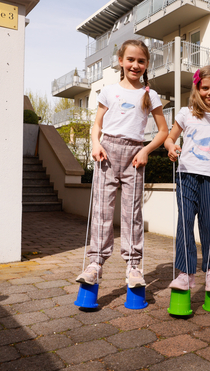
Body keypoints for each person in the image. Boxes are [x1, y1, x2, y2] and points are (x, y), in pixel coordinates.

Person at [76, 40, 168, 288]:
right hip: (107, 151)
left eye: (140, 61)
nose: (135, 65)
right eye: (130, 60)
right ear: (120, 61)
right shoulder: (108, 91)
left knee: (132, 214)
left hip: (134, 156)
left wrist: (146, 150)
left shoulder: (150, 95)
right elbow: (97, 124)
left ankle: (134, 267)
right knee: (102, 211)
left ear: (147, 64)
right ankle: (95, 263)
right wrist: (96, 144)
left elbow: (162, 131)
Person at [164, 65, 210, 292]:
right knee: (184, 223)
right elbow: (169, 138)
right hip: (186, 175)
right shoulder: (186, 114)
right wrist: (171, 146)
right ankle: (185, 273)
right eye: (205, 87)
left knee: (209, 225)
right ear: (197, 88)